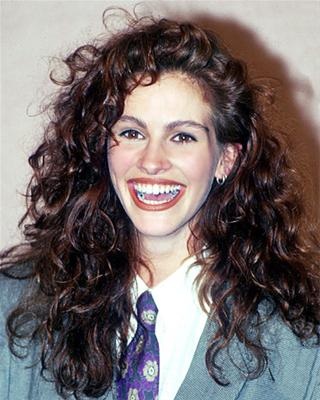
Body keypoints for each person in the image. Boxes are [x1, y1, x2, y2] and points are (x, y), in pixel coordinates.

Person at [1, 11, 320, 400]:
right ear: (102, 149)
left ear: (226, 159)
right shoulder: (13, 310)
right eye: (132, 132)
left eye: (183, 137)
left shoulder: (302, 347)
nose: (152, 161)